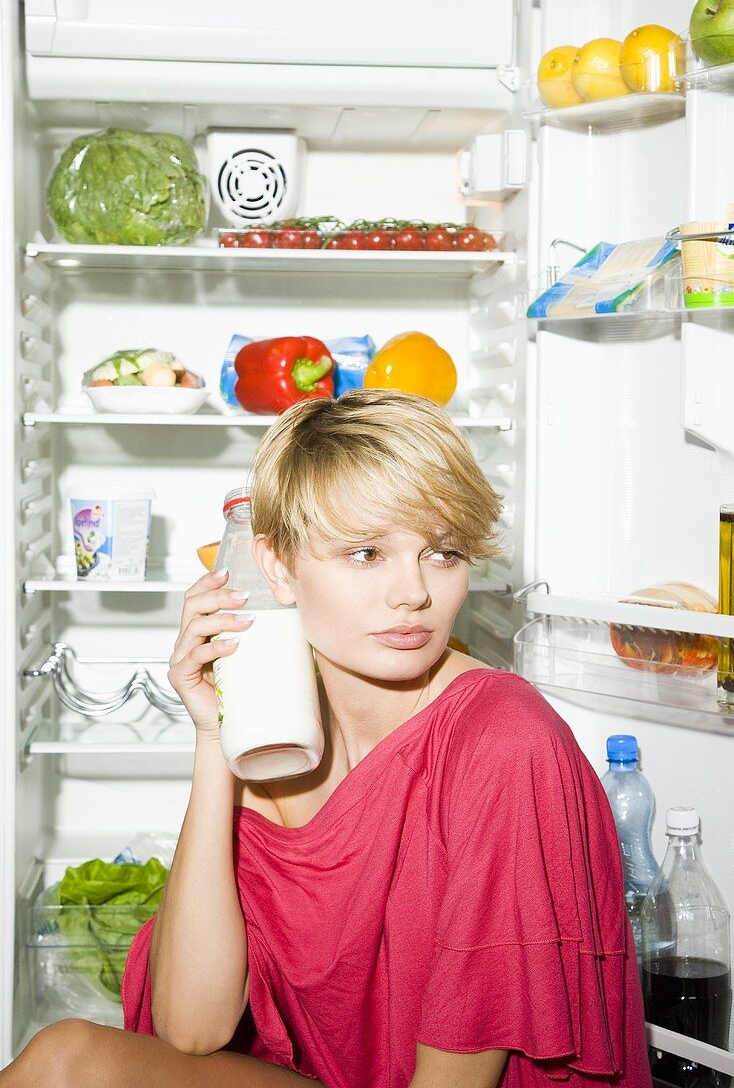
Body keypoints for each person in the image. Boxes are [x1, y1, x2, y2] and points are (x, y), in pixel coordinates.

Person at [0, 390, 651, 1088]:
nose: (413, 594)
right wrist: (213, 736)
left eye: (443, 552)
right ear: (277, 567)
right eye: (367, 553)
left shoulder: (503, 740)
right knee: (62, 1060)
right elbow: (192, 1026)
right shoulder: (275, 732)